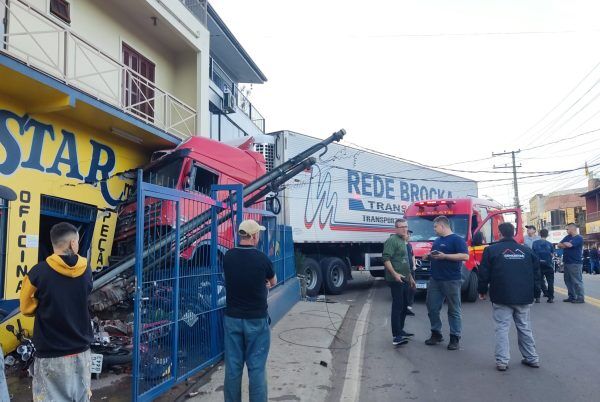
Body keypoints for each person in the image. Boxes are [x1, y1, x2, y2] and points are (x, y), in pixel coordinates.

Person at [19, 222, 93, 402]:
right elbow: (86, 294)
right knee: (81, 397)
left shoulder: (37, 273)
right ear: (73, 244)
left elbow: (26, 309)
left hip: (51, 352)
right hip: (82, 350)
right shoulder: (86, 269)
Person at [223, 219, 277, 402]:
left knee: (232, 368)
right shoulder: (262, 259)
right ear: (254, 236)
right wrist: (263, 282)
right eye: (258, 235)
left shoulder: (228, 257)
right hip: (256, 320)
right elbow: (273, 281)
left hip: (232, 319)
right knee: (256, 368)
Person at [478, 222, 541, 371]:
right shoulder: (527, 251)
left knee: (502, 328)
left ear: (499, 234)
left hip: (501, 296)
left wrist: (482, 290)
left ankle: (502, 361)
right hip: (524, 296)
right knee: (525, 327)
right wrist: (536, 293)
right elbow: (536, 274)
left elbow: (484, 273)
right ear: (513, 233)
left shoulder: (491, 250)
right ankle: (532, 358)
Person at [423, 216, 469, 351]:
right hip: (435, 279)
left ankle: (455, 337)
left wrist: (445, 256)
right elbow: (437, 254)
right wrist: (429, 255)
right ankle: (436, 333)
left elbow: (465, 256)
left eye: (435, 227)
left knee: (454, 310)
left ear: (442, 226)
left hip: (451, 280)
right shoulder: (437, 241)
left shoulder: (457, 240)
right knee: (432, 307)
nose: (434, 229)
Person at [383, 219, 416, 346]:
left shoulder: (404, 241)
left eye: (405, 226)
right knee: (398, 306)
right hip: (396, 279)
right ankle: (396, 336)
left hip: (406, 278)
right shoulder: (392, 241)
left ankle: (401, 330)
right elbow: (386, 259)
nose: (404, 229)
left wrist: (411, 278)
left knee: (404, 305)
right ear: (396, 229)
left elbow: (405, 261)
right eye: (401, 227)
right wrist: (395, 274)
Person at [557, 223, 585, 303]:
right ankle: (572, 296)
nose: (566, 231)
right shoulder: (567, 237)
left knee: (576, 280)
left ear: (572, 228)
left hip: (575, 262)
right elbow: (559, 245)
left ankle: (580, 297)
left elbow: (569, 245)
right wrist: (565, 244)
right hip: (567, 262)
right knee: (567, 280)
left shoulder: (579, 238)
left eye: (567, 229)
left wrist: (565, 244)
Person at [532, 229, 555, 303]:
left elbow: (533, 254)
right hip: (548, 265)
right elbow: (552, 255)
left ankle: (537, 298)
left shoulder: (535, 243)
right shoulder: (550, 244)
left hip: (538, 264)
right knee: (550, 282)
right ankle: (550, 297)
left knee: (538, 281)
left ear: (539, 234)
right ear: (547, 235)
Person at [406, 231, 416, 316]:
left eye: (410, 234)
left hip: (411, 270)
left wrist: (414, 265)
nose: (409, 236)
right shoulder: (401, 245)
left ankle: (408, 307)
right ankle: (403, 308)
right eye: (407, 234)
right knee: (405, 290)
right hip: (405, 271)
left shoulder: (409, 245)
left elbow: (412, 255)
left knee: (412, 289)